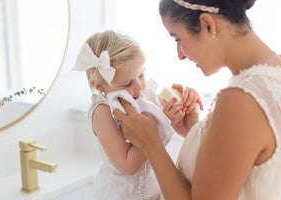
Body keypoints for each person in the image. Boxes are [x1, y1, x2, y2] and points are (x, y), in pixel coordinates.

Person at [113, 0, 281, 199]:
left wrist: (152, 144)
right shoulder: (271, 75)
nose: (180, 55)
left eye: (177, 38)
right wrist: (198, 132)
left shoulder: (240, 101)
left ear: (208, 25)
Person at [72, 30, 203, 200]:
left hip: (155, 193)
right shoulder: (103, 112)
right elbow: (128, 165)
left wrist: (183, 106)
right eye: (127, 83)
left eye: (141, 75)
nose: (139, 88)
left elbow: (175, 128)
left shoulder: (146, 95)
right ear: (99, 86)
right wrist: (163, 122)